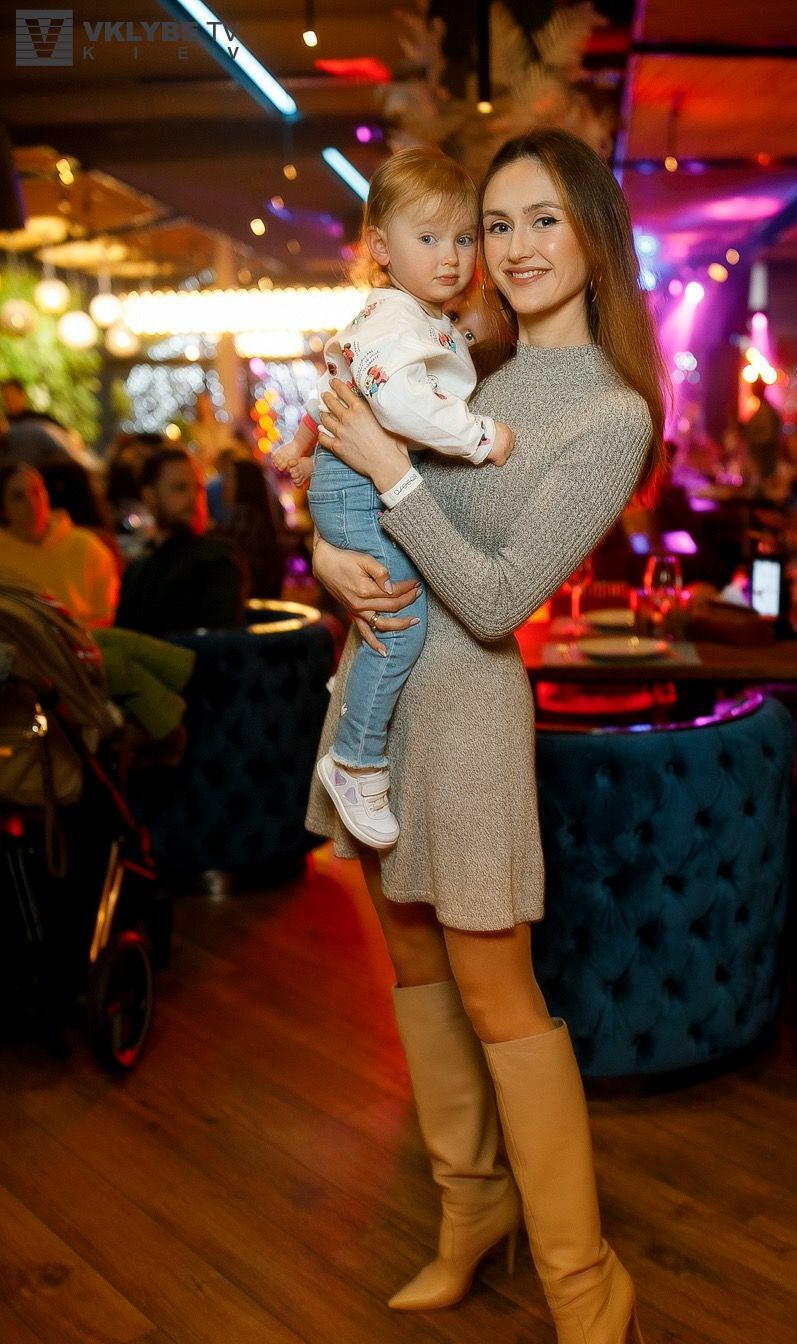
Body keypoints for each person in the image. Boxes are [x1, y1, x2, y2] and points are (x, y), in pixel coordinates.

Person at [306, 129, 665, 1344]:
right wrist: (328, 550)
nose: (509, 248)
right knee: (410, 967)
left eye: (540, 220)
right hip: (379, 691)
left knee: (501, 997)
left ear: (595, 238)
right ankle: (471, 1214)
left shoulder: (609, 414)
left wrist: (393, 473)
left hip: (467, 717)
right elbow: (357, 496)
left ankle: (589, 1298)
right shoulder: (465, 365)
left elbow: (502, 599)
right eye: (494, 223)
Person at [272, 148, 516, 851]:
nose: (452, 257)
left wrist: (301, 444)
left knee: (387, 605)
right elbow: (401, 404)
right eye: (429, 238)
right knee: (401, 617)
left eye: (464, 238)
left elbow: (335, 385)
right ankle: (356, 761)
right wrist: (481, 437)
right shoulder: (394, 319)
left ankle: (357, 686)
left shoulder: (412, 315)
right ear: (380, 247)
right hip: (358, 484)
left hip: (352, 478)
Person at [116, 446, 246, 636]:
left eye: (198, 488)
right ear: (149, 496)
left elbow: (219, 641)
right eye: (180, 488)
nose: (193, 498)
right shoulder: (138, 571)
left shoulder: (218, 559)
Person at [0, 462, 118, 629]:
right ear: (4, 509)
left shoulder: (86, 546)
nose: (32, 502)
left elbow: (106, 614)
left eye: (36, 491)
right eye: (18, 497)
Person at [218, 457, 286, 598]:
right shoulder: (257, 520)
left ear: (244, 483)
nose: (224, 484)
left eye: (230, 478)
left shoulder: (245, 524)